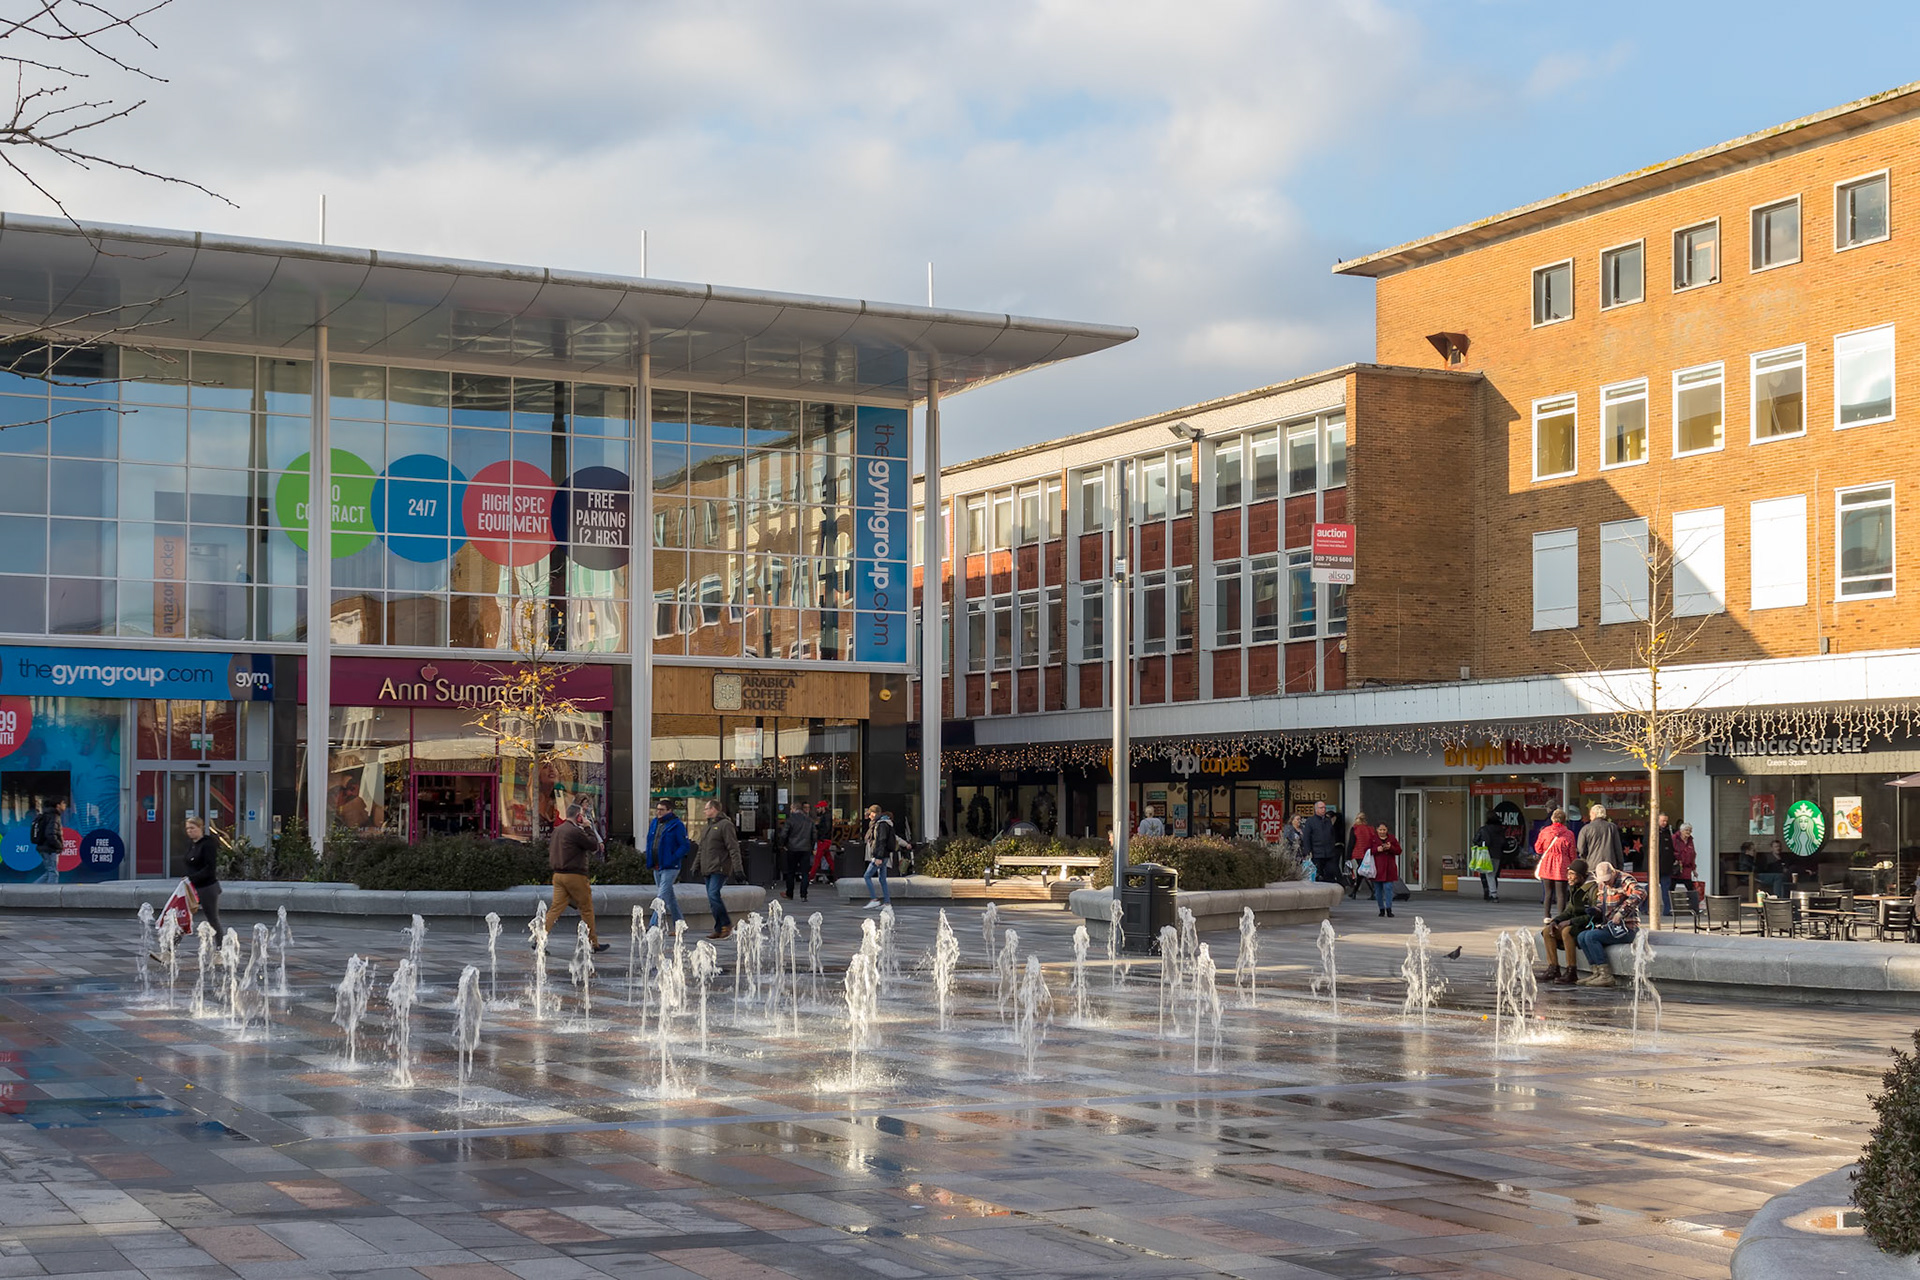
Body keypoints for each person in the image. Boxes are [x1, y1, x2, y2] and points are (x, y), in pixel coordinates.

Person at [545, 803, 610, 952]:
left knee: (555, 909)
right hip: (575, 875)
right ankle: (593, 943)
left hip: (558, 875)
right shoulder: (575, 831)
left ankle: (539, 940)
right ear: (578, 816)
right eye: (583, 815)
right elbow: (593, 845)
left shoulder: (558, 830)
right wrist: (588, 827)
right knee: (586, 908)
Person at [1574, 860, 1647, 987]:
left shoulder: (1625, 880)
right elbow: (1601, 903)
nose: (1606, 882)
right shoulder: (1602, 884)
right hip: (1609, 927)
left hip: (1627, 928)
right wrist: (1596, 911)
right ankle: (1596, 972)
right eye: (1603, 880)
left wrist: (1621, 912)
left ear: (1613, 872)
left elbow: (1640, 893)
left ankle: (1606, 975)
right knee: (1582, 936)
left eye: (1608, 879)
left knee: (1592, 937)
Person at [1539, 858, 1597, 984]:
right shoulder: (1574, 887)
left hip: (1588, 925)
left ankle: (1572, 971)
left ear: (1581, 876)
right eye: (1568, 874)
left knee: (1567, 931)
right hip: (1576, 923)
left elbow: (1595, 915)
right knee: (1548, 931)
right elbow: (1569, 910)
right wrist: (1556, 920)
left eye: (1572, 874)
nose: (1568, 877)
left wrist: (1570, 922)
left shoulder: (1593, 888)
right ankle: (1553, 968)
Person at [692, 799, 743, 939]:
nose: (704, 811)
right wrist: (695, 865)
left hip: (720, 867)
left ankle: (726, 925)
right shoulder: (708, 827)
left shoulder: (725, 825)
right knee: (711, 898)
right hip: (707, 867)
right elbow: (701, 849)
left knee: (714, 894)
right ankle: (719, 928)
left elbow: (733, 848)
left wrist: (738, 869)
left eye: (707, 809)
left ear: (714, 809)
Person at [645, 798, 690, 926]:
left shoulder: (677, 825)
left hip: (670, 866)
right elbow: (651, 841)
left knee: (661, 897)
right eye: (657, 809)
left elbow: (684, 845)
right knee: (669, 897)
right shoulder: (655, 823)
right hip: (657, 865)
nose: (658, 812)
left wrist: (673, 857)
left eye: (662, 810)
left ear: (669, 810)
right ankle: (679, 923)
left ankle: (652, 926)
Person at [182, 816, 223, 937]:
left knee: (212, 919)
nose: (189, 831)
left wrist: (192, 878)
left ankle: (220, 948)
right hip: (192, 886)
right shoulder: (191, 844)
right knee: (184, 916)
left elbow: (210, 868)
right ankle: (170, 948)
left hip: (207, 887)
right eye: (187, 828)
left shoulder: (208, 844)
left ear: (200, 828)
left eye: (192, 828)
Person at [1533, 808, 1577, 920]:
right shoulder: (1569, 834)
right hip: (1562, 864)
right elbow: (1572, 852)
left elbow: (1538, 848)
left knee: (1548, 893)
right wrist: (1573, 864)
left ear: (1552, 819)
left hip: (1547, 863)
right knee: (1561, 893)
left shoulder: (1545, 831)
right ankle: (1561, 917)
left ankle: (1547, 916)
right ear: (1564, 820)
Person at [777, 802, 817, 901]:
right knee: (805, 873)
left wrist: (783, 845)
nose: (790, 810)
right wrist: (811, 847)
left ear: (794, 809)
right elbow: (814, 836)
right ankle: (804, 895)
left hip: (792, 848)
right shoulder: (809, 821)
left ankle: (789, 893)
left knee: (791, 872)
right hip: (805, 849)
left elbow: (783, 834)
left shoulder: (790, 820)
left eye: (791, 808)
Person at [862, 804, 896, 909]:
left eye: (871, 813)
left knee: (867, 876)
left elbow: (881, 841)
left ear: (875, 813)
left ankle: (874, 899)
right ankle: (887, 903)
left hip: (880, 856)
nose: (870, 816)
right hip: (884, 856)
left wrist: (878, 857)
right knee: (882, 879)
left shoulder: (881, 825)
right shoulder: (885, 823)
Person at [1368, 820, 1402, 918]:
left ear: (1387, 830)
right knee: (1378, 891)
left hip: (1389, 868)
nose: (1382, 832)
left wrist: (1390, 847)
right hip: (1377, 868)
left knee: (1388, 888)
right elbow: (1367, 850)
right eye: (1380, 830)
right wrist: (1376, 850)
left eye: (1384, 830)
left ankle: (1389, 909)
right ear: (1377, 830)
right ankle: (1381, 909)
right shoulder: (1373, 839)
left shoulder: (1392, 838)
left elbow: (1399, 851)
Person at [1575, 803, 1623, 871]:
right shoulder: (1612, 827)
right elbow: (1618, 848)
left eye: (1590, 813)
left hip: (1592, 865)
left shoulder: (1586, 829)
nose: (1590, 816)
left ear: (1594, 814)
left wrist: (1586, 860)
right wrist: (1620, 866)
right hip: (1610, 865)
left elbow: (1581, 849)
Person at [1471, 813, 1507, 901]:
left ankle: (1493, 894)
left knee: (1489, 874)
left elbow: (1476, 840)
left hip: (1486, 854)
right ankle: (1492, 893)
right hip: (1497, 854)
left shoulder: (1484, 829)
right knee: (1493, 874)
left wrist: (1480, 844)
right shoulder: (1500, 830)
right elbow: (1504, 843)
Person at [1302, 801, 1339, 886]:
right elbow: (1307, 837)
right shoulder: (1310, 821)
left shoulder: (1328, 820)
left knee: (1330, 873)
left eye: (1324, 808)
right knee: (1318, 874)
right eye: (1321, 808)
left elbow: (1332, 835)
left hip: (1329, 853)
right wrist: (1308, 851)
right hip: (1317, 853)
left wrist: (1333, 847)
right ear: (1316, 809)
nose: (1323, 810)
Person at [31, 798, 68, 882]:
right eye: (63, 803)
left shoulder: (46, 815)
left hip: (44, 847)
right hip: (50, 849)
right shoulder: (54, 816)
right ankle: (51, 894)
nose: (65, 805)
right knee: (53, 873)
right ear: (58, 805)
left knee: (49, 872)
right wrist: (59, 845)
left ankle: (31, 890)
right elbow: (50, 834)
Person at [1346, 811, 1377, 900]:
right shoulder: (1370, 829)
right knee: (1362, 872)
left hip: (1359, 853)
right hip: (1368, 853)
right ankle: (1355, 892)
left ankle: (1373, 891)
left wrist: (1348, 856)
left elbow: (1351, 843)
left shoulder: (1355, 829)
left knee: (1362, 872)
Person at [1670, 820, 1698, 908]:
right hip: (1675, 868)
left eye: (1690, 830)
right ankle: (1671, 907)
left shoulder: (1690, 840)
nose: (1689, 832)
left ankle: (1694, 908)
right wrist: (1674, 859)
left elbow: (1692, 855)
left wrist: (1694, 870)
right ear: (1681, 831)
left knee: (1690, 888)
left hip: (1686, 869)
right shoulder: (1674, 838)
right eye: (1687, 830)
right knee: (1671, 888)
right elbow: (1669, 852)